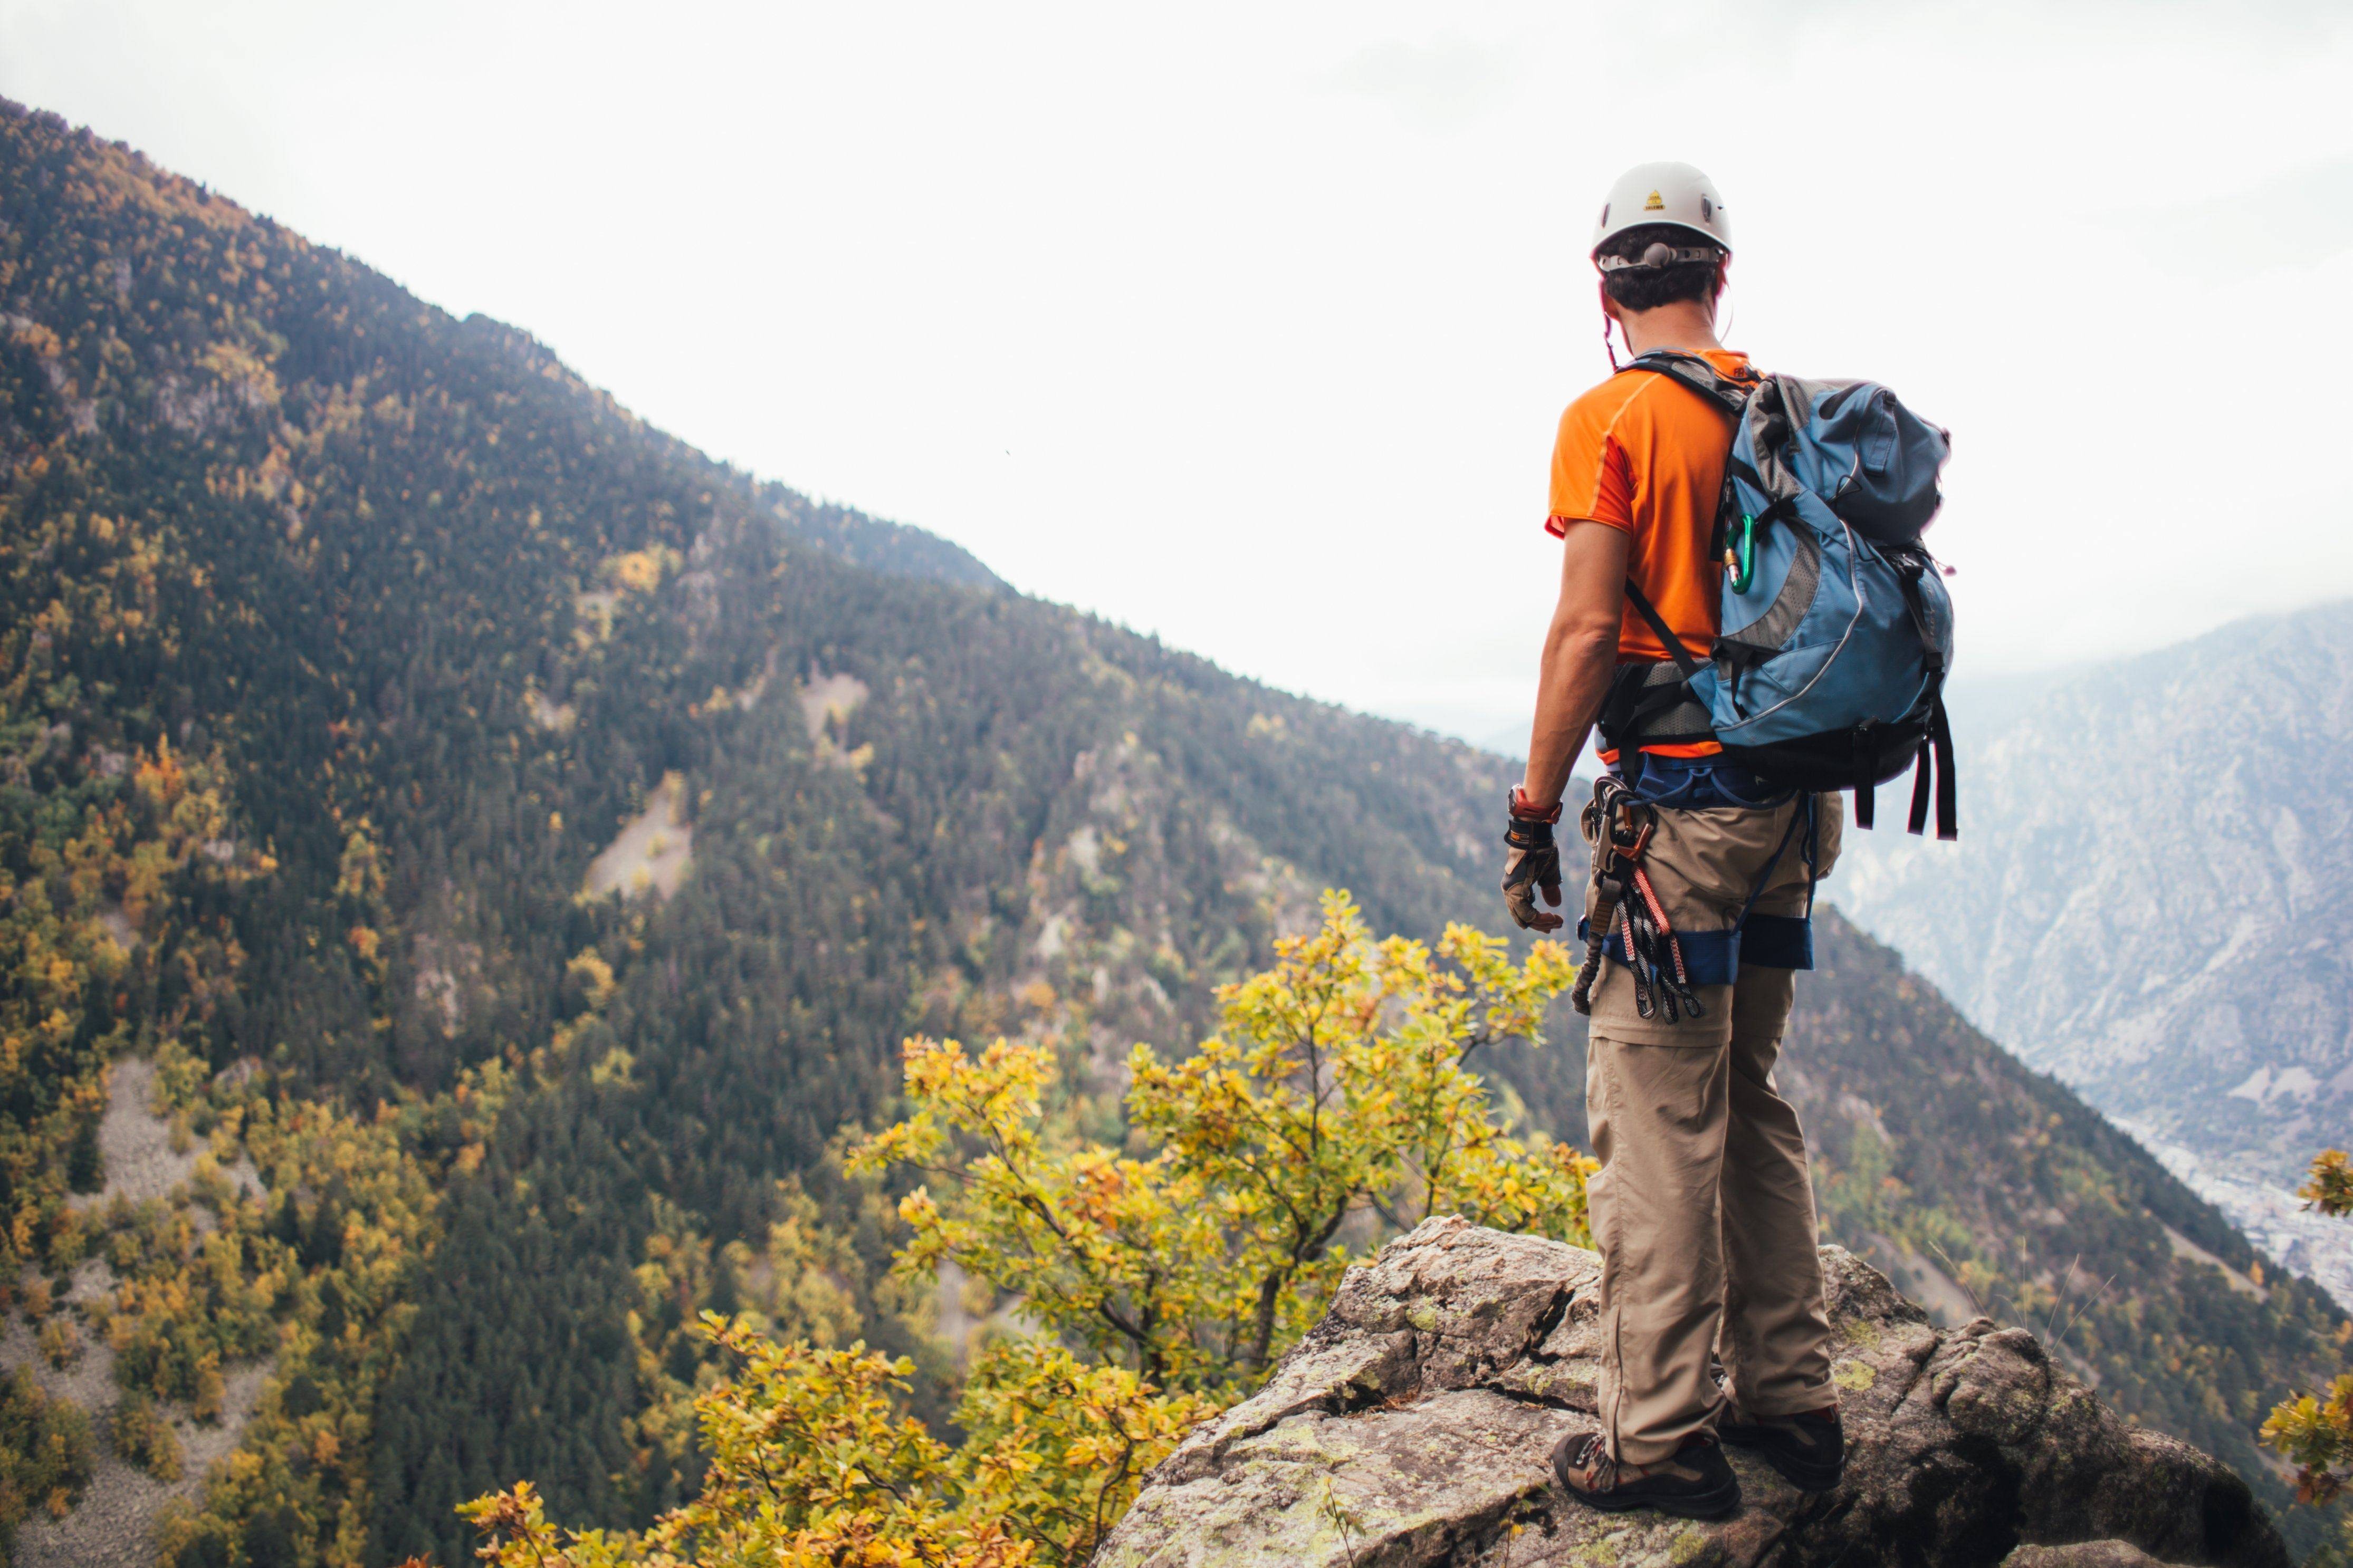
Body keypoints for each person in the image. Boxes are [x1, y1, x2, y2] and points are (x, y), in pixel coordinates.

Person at [1501, 161, 1846, 1519]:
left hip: (1681, 821)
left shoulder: (1612, 414)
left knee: (1654, 1114)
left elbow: (1588, 629)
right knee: (1749, 1092)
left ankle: (1652, 1440)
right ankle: (1793, 1400)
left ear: (1607, 290)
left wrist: (1533, 813)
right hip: (1793, 808)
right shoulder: (1780, 410)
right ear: (1716, 279)